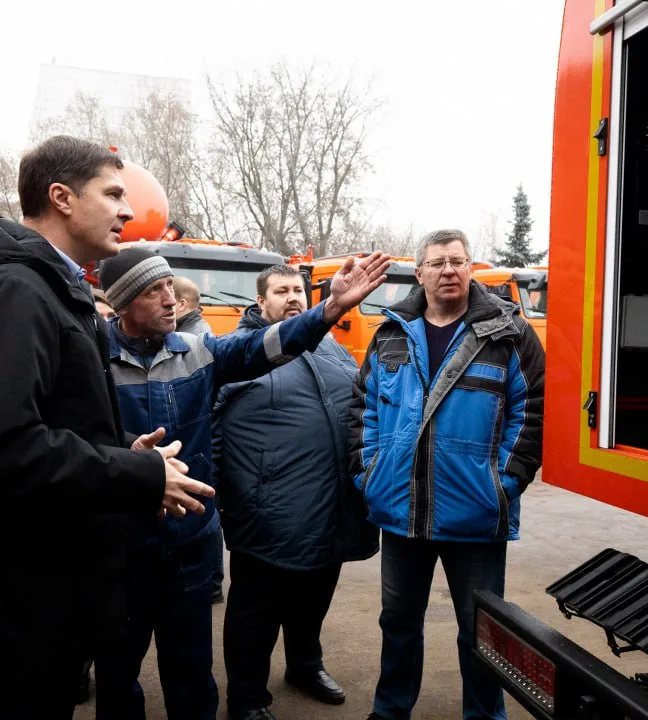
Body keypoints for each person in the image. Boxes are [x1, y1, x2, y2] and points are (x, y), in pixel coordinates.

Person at [0, 136, 215, 720]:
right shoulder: (13, 290)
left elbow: (47, 422)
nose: (128, 211)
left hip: (51, 593)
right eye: (112, 195)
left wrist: (119, 451)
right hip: (29, 601)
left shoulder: (49, 286)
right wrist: (137, 474)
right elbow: (1, 448)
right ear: (61, 198)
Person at [94, 247, 391, 720]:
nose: (171, 299)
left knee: (192, 671)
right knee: (117, 668)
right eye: (154, 291)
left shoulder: (198, 351)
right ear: (123, 303)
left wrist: (330, 308)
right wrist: (130, 453)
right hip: (119, 546)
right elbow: (72, 433)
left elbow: (264, 347)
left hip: (188, 542)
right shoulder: (92, 363)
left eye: (170, 285)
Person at [352, 230, 544, 720]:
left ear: (471, 268)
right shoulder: (390, 333)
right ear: (419, 273)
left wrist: (501, 484)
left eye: (457, 261)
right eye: (437, 263)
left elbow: (532, 414)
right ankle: (390, 710)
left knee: (481, 630)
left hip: (475, 513)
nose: (448, 271)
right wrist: (370, 472)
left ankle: (484, 716)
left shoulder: (508, 334)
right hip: (402, 508)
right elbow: (364, 408)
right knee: (398, 623)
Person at [213, 265, 379, 720]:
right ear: (260, 301)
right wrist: (226, 497)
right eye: (281, 291)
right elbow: (211, 432)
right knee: (255, 611)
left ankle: (305, 666)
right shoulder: (236, 353)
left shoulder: (332, 348)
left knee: (313, 598)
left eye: (298, 290)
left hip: (332, 505)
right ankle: (247, 697)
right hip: (265, 509)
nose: (292, 297)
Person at [170, 274, 224, 602]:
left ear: (181, 303)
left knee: (202, 510)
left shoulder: (193, 339)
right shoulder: (198, 330)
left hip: (202, 436)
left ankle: (212, 582)